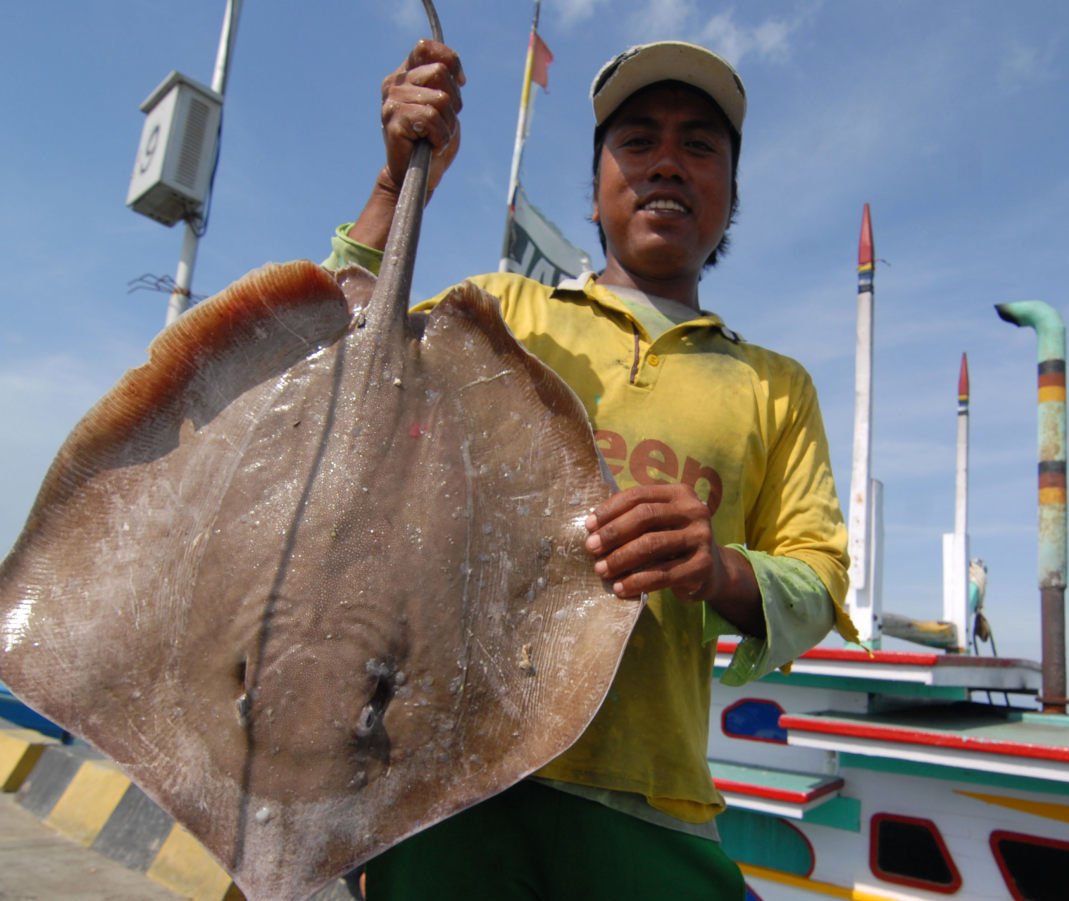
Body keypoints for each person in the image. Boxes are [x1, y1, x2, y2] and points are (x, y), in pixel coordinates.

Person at [325, 39, 860, 901]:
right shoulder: (499, 309)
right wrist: (395, 186)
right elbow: (334, 365)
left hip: (654, 801)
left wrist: (720, 567)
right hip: (448, 781)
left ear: (729, 187)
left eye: (700, 145)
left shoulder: (776, 386)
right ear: (601, 178)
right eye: (638, 140)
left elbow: (821, 579)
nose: (668, 166)